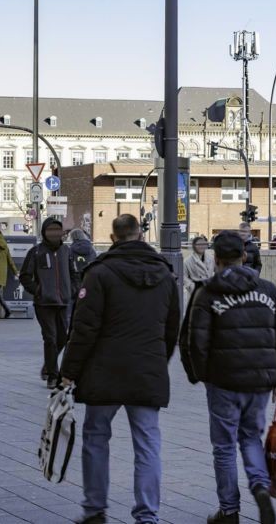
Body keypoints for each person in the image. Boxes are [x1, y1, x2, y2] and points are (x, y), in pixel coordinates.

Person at [61, 214, 180, 524]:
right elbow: (172, 329)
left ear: (113, 238)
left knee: (97, 437)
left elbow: (83, 329)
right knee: (148, 444)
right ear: (140, 235)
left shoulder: (99, 274)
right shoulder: (165, 275)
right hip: (147, 372)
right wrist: (157, 361)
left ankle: (95, 510)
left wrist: (69, 370)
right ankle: (147, 515)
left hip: (105, 372)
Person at [181, 230, 276, 524]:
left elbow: (196, 341)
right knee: (251, 438)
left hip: (223, 381)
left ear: (215, 258)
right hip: (260, 381)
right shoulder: (268, 291)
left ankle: (229, 511)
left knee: (225, 446)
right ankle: (260, 488)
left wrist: (203, 375)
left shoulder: (207, 293)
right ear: (244, 256)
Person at [20, 217, 80, 389]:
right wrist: (37, 290)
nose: (54, 234)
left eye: (57, 230)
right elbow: (25, 276)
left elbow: (74, 273)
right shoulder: (37, 252)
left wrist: (73, 290)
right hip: (44, 303)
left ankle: (48, 365)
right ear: (44, 233)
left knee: (63, 338)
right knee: (50, 338)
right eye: (50, 230)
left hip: (63, 302)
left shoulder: (66, 251)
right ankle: (53, 375)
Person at [184, 235, 215, 303]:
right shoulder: (187, 261)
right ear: (194, 246)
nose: (201, 246)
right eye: (199, 244)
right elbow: (183, 277)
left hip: (209, 290)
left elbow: (217, 271)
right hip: (195, 292)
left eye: (203, 244)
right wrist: (191, 286)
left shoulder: (211, 258)